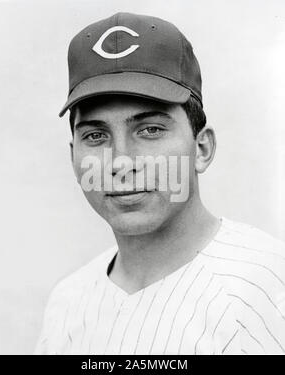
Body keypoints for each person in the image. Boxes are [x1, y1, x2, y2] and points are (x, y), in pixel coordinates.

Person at [35, 12, 285, 355]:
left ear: (202, 148)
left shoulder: (268, 287)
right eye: (95, 135)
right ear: (73, 157)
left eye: (150, 130)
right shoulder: (67, 301)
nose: (121, 161)